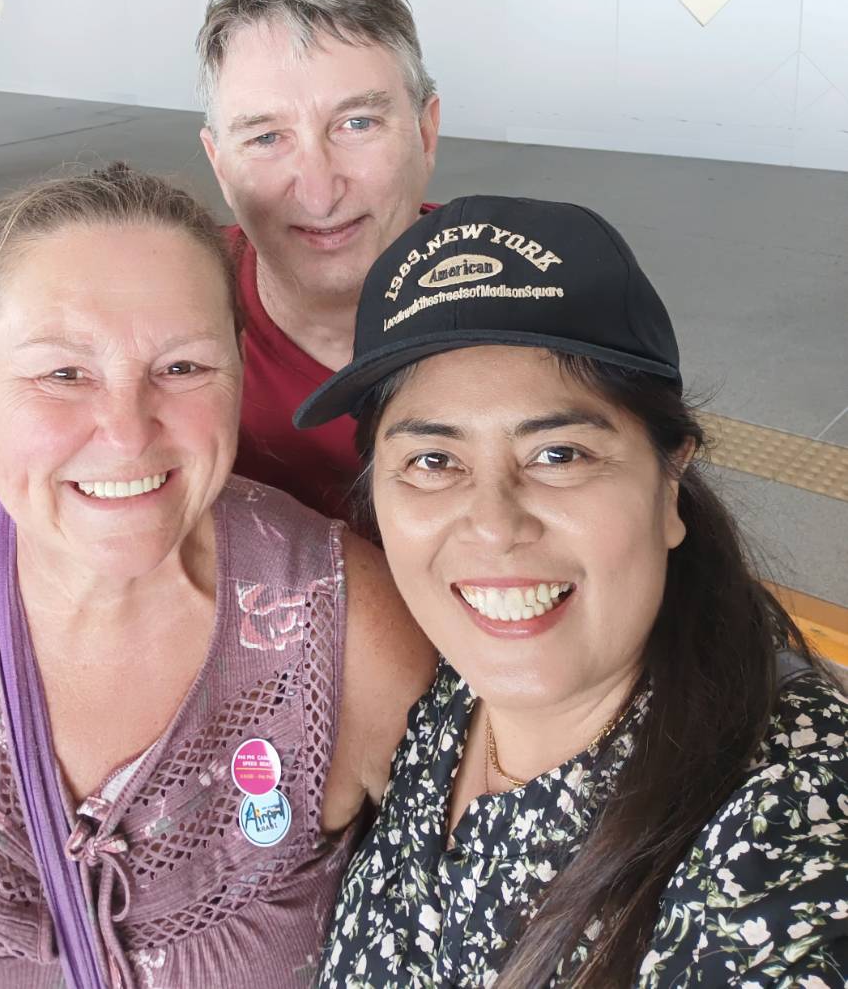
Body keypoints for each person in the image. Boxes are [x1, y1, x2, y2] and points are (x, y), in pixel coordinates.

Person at [0, 167, 434, 989]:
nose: (127, 431)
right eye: (64, 373)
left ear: (238, 373)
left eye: (181, 367)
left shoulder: (352, 630)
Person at [295, 195, 848, 987]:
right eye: (433, 461)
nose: (494, 526)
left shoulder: (782, 833)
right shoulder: (446, 688)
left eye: (559, 454)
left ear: (669, 481)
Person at [197, 0, 439, 521]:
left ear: (425, 134)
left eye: (357, 124)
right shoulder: (166, 308)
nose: (319, 191)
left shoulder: (536, 297)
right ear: (220, 166)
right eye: (266, 138)